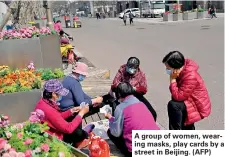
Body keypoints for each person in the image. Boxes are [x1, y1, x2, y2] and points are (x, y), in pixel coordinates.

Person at [34, 79, 95, 149]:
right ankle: (83, 137)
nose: (61, 96)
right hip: (55, 138)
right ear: (53, 94)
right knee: (79, 133)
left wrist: (71, 111)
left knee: (76, 126)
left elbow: (56, 117)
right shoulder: (50, 110)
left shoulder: (42, 102)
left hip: (50, 130)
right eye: (60, 93)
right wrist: (81, 113)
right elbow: (68, 129)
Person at [106, 82, 159, 157]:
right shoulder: (141, 103)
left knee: (110, 132)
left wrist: (110, 119)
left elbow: (116, 133)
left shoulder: (120, 108)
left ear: (119, 94)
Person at [162, 51, 211, 130]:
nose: (167, 70)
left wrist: (172, 80)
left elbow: (178, 97)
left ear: (176, 68)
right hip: (188, 100)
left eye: (168, 68)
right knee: (186, 127)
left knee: (173, 105)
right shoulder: (181, 71)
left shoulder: (190, 76)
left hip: (196, 104)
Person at [111, 57, 157, 121]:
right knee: (118, 113)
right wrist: (123, 87)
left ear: (137, 68)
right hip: (122, 96)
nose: (130, 69)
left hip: (135, 95)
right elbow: (114, 85)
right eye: (129, 67)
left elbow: (144, 89)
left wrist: (134, 89)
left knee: (153, 113)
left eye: (133, 68)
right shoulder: (122, 71)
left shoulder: (141, 74)